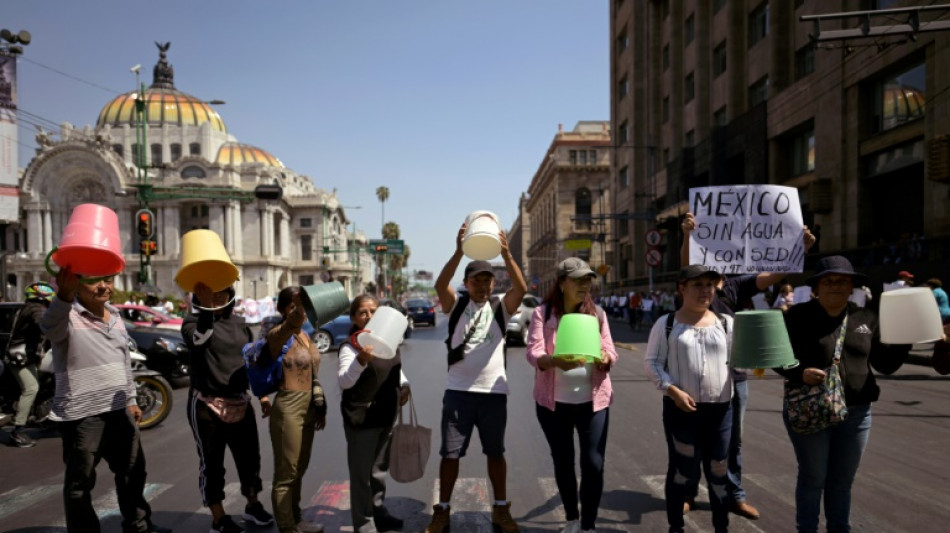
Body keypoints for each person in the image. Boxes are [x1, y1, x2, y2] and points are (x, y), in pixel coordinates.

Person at [680, 211, 817, 520]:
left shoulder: (734, 287)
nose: (706, 285)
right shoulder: (693, 289)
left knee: (733, 441)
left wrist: (800, 249)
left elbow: (774, 275)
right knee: (694, 438)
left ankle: (733, 495)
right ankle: (687, 492)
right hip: (695, 377)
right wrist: (688, 234)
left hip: (735, 378)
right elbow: (686, 265)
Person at [777, 256, 911, 533]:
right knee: (814, 477)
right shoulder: (797, 317)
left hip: (857, 413)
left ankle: (839, 529)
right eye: (828, 280)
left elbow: (886, 364)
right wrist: (798, 372)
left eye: (842, 281)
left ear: (852, 286)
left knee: (842, 480)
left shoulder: (867, 318)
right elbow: (776, 357)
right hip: (810, 407)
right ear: (817, 287)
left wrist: (906, 338)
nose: (835, 286)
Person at [40, 267, 170, 533]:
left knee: (133, 473)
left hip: (119, 408)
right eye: (94, 280)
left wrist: (132, 399)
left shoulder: (116, 315)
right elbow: (50, 327)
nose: (103, 286)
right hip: (83, 415)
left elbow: (123, 360)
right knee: (80, 484)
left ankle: (138, 525)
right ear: (77, 283)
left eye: (108, 280)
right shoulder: (67, 314)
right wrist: (63, 296)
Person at [427, 223, 527, 533]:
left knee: (496, 453)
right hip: (458, 393)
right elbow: (440, 283)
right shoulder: (455, 307)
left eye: (487, 280)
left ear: (493, 283)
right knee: (450, 455)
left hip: (493, 394)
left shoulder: (500, 308)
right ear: (467, 284)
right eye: (476, 281)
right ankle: (442, 510)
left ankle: (500, 508)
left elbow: (521, 289)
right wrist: (459, 251)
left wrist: (508, 255)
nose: (482, 286)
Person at [525, 258, 618, 533]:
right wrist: (554, 361)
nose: (584, 285)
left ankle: (588, 525)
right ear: (562, 283)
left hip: (594, 401)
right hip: (553, 404)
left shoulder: (597, 314)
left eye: (587, 280)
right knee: (563, 462)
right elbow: (533, 352)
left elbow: (611, 350)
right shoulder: (543, 314)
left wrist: (605, 358)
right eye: (577, 280)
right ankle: (572, 519)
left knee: (593, 463)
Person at [643, 266, 736, 533]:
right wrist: (673, 390)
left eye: (710, 284)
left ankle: (722, 527)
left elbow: (738, 363)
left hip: (720, 412)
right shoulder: (667, 324)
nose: (705, 290)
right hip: (680, 411)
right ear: (682, 288)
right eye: (697, 284)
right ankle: (676, 527)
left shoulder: (726, 323)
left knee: (719, 472)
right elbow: (652, 364)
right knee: (682, 471)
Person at [182, 283, 273, 533]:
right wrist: (207, 311)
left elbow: (250, 362)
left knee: (250, 459)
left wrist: (262, 395)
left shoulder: (241, 324)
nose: (218, 293)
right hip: (206, 405)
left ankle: (253, 505)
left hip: (240, 401)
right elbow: (200, 340)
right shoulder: (192, 322)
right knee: (211, 463)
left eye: (223, 289)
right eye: (212, 290)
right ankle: (218, 517)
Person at [338, 294, 411, 533]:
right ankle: (364, 522)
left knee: (378, 472)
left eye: (373, 311)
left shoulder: (388, 341)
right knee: (361, 475)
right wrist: (360, 360)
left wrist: (404, 384)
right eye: (362, 312)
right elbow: (345, 382)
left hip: (385, 416)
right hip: (362, 420)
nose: (369, 316)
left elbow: (394, 370)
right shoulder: (351, 346)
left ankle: (378, 512)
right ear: (353, 317)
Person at [261, 286, 327, 533]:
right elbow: (293, 320)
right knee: (286, 472)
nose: (299, 313)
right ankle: (287, 527)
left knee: (300, 468)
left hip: (309, 405)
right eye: (293, 307)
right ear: (282, 310)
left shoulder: (306, 336)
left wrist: (320, 406)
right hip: (288, 405)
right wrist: (300, 305)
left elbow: (313, 374)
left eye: (302, 307)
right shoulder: (278, 334)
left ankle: (297, 518)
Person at [6, 282, 54, 447]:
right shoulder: (36, 308)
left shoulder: (25, 307)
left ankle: (44, 417)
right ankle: (18, 431)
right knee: (31, 388)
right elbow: (44, 324)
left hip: (23, 355)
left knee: (45, 381)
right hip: (20, 357)